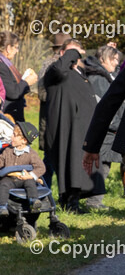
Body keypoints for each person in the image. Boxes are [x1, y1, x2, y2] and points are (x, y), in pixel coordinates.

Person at [43, 41, 99, 212]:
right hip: (65, 127)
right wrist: (73, 52)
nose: (75, 56)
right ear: (62, 53)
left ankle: (73, 202)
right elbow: (60, 69)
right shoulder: (55, 70)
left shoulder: (78, 72)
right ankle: (69, 205)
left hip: (81, 127)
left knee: (77, 165)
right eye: (71, 53)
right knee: (69, 164)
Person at [82, 45, 121, 208]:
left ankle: (95, 199)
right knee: (101, 164)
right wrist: (114, 124)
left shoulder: (106, 75)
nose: (116, 63)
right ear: (103, 59)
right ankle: (94, 201)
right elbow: (103, 104)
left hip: (109, 127)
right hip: (106, 128)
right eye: (113, 59)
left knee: (105, 163)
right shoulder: (99, 79)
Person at [37, 32, 72, 190]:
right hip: (51, 118)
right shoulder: (49, 65)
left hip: (64, 117)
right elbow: (42, 93)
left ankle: (62, 193)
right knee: (50, 158)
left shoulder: (72, 64)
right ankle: (45, 192)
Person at [0, 121, 46, 215]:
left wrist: (31, 175)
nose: (11, 137)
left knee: (30, 183)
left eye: (14, 135)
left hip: (25, 178)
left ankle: (34, 201)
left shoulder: (31, 154)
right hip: (10, 179)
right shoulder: (7, 151)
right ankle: (3, 206)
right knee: (3, 184)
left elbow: (41, 167)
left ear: (24, 140)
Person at [0, 30, 38, 122]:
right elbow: (13, 93)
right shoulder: (2, 66)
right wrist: (26, 82)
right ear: (8, 48)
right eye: (16, 47)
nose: (17, 51)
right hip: (8, 116)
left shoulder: (6, 64)